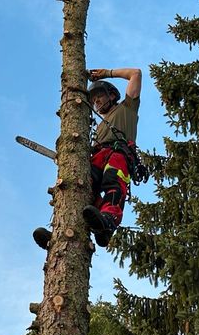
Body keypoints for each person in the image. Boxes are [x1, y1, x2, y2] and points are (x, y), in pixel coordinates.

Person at [33, 66, 142, 250]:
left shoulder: (127, 109)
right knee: (79, 184)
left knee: (113, 182)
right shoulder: (97, 129)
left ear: (112, 95)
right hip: (98, 154)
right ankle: (61, 232)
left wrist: (107, 73)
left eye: (99, 95)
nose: (96, 101)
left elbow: (136, 74)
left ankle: (108, 221)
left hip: (118, 153)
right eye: (93, 99)